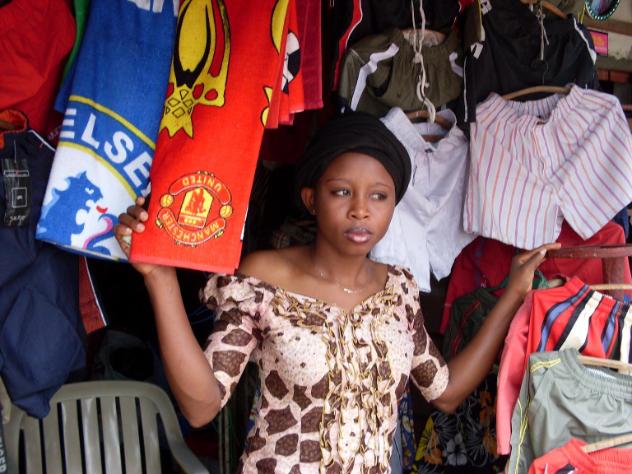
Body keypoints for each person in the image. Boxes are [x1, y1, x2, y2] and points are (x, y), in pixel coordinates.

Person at [115, 113, 559, 473]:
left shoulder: (398, 290)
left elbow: (444, 391)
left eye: (379, 196)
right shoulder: (265, 278)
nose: (360, 210)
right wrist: (160, 279)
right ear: (312, 199)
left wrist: (512, 294)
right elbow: (202, 406)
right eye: (341, 192)